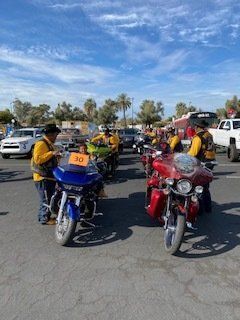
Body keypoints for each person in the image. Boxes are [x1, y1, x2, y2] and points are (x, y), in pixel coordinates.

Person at [31, 124, 61, 225]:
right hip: (42, 177)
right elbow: (38, 159)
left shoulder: (49, 143)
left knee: (48, 197)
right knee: (45, 199)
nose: (56, 137)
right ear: (50, 134)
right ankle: (44, 219)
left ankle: (45, 216)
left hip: (48, 176)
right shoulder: (41, 143)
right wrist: (52, 153)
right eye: (55, 135)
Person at [188, 119, 216, 213]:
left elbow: (193, 153)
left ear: (196, 127)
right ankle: (208, 208)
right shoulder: (209, 135)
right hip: (210, 162)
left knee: (198, 186)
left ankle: (200, 209)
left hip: (201, 163)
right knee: (205, 186)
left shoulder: (197, 137)